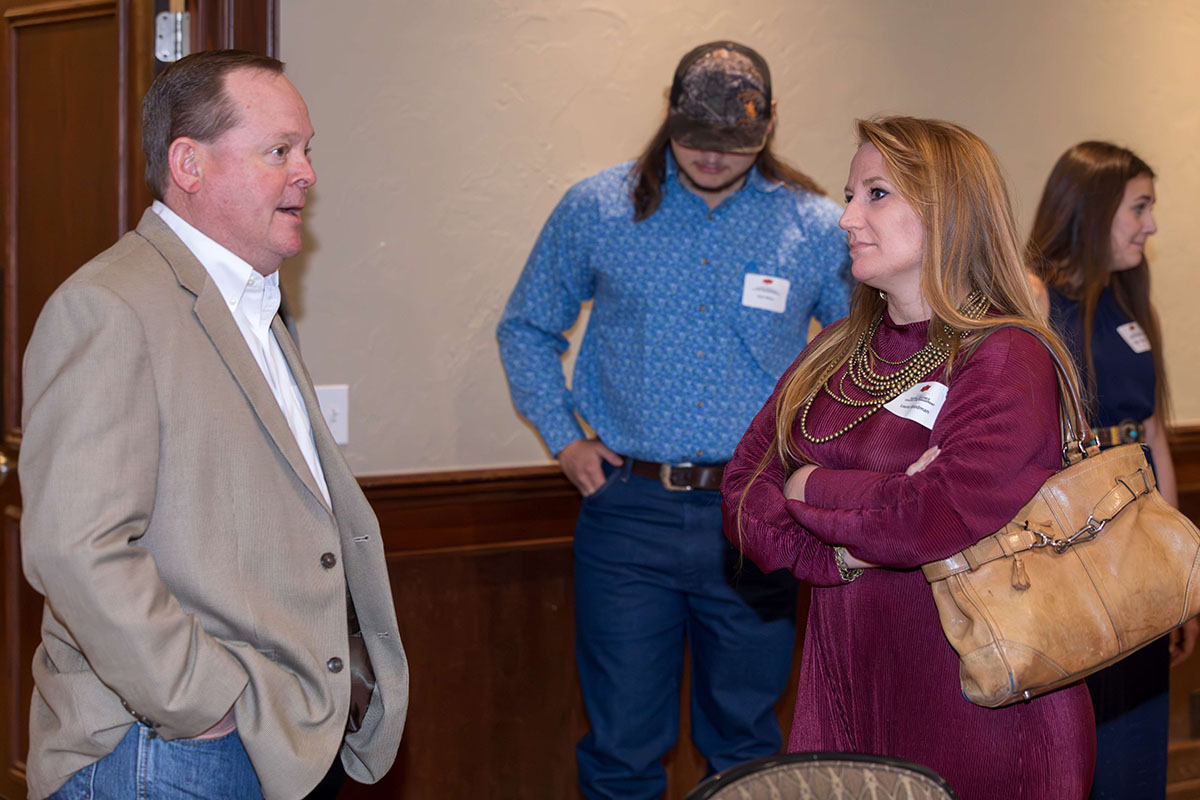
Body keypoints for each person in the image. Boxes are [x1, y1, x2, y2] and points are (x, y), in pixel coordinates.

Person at [20, 50, 408, 800]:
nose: (306, 173)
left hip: (272, 738)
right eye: (279, 151)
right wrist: (201, 701)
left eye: (306, 150)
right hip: (164, 750)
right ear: (189, 165)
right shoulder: (110, 306)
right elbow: (76, 545)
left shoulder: (251, 301)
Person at [497, 41, 851, 799]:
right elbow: (526, 327)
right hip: (630, 513)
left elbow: (864, 355)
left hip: (755, 512)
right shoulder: (599, 208)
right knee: (623, 745)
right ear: (668, 113)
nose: (712, 159)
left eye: (733, 145)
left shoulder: (815, 226)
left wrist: (821, 461)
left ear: (770, 126)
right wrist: (563, 439)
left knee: (748, 744)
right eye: (696, 140)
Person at [722, 116, 1096, 799]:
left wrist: (809, 483)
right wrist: (846, 549)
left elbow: (934, 514)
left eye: (875, 194)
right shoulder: (835, 348)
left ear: (948, 212)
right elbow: (743, 496)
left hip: (981, 709)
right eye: (849, 194)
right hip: (848, 691)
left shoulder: (1007, 355)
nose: (845, 218)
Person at [1026, 140, 1198, 799]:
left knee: (1136, 743)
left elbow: (1153, 432)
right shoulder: (1034, 298)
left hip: (1138, 544)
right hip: (1070, 552)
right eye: (1140, 207)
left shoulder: (1130, 304)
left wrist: (1178, 573)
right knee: (1072, 741)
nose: (1150, 225)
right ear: (1093, 209)